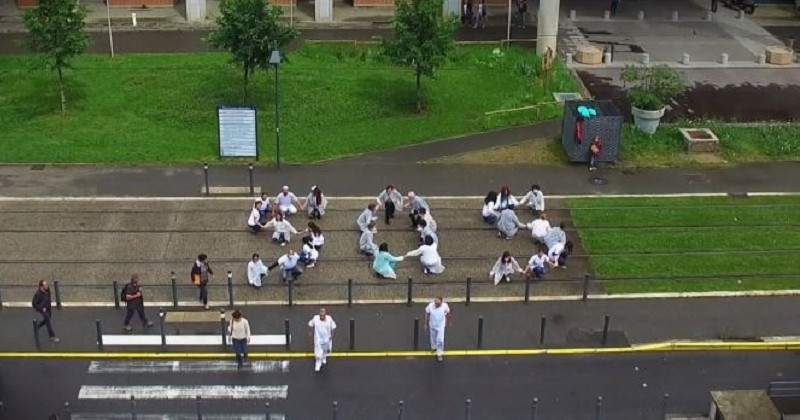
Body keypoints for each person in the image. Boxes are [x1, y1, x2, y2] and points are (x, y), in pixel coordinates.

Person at [308, 308, 336, 372]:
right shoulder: (315, 319)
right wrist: (310, 332)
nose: (322, 317)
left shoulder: (329, 319)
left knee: (326, 350)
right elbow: (310, 324)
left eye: (323, 315)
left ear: (325, 314)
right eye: (321, 315)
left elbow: (333, 327)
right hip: (318, 339)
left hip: (327, 339)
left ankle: (324, 358)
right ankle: (318, 363)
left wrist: (332, 335)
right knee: (318, 352)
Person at [424, 296, 452, 362]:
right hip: (432, 325)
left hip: (441, 326)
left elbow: (449, 313)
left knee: (440, 340)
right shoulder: (430, 306)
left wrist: (450, 321)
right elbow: (426, 313)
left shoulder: (445, 306)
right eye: (435, 303)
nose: (436, 304)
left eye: (438, 303)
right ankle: (433, 347)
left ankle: (439, 353)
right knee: (433, 338)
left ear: (441, 302)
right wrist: (425, 324)